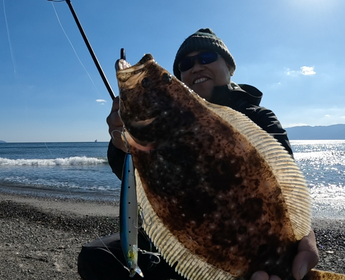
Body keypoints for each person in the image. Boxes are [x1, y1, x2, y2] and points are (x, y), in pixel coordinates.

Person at [78, 28, 319, 280]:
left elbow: (285, 186)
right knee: (96, 257)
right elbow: (136, 183)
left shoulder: (259, 118)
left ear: (229, 66)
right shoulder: (165, 121)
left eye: (206, 58)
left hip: (244, 245)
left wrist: (301, 233)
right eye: (185, 64)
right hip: (185, 236)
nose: (196, 67)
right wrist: (122, 147)